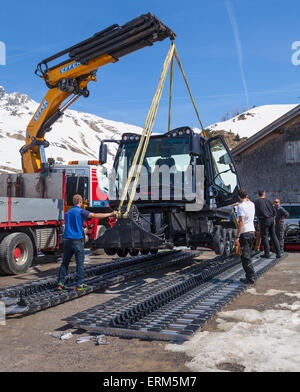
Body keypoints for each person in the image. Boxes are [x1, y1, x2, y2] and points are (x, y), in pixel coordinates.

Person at [57, 194, 118, 291]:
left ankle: (60, 284)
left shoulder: (67, 213)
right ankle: (79, 285)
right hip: (77, 240)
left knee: (65, 263)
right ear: (80, 202)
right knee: (80, 263)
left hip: (67, 241)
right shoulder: (81, 211)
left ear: (73, 202)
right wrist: (111, 214)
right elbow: (95, 215)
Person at [234, 188, 256, 284]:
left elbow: (241, 222)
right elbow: (247, 201)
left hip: (245, 233)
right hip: (252, 232)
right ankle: (250, 276)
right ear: (247, 196)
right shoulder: (251, 204)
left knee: (245, 257)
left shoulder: (240, 207)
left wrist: (237, 236)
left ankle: (250, 277)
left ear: (238, 196)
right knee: (248, 255)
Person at [254, 190, 281, 258]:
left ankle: (267, 253)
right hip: (271, 219)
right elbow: (274, 211)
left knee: (264, 236)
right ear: (264, 194)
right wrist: (273, 219)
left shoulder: (256, 201)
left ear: (258, 194)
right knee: (273, 235)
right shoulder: (268, 201)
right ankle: (278, 253)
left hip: (264, 220)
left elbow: (256, 211)